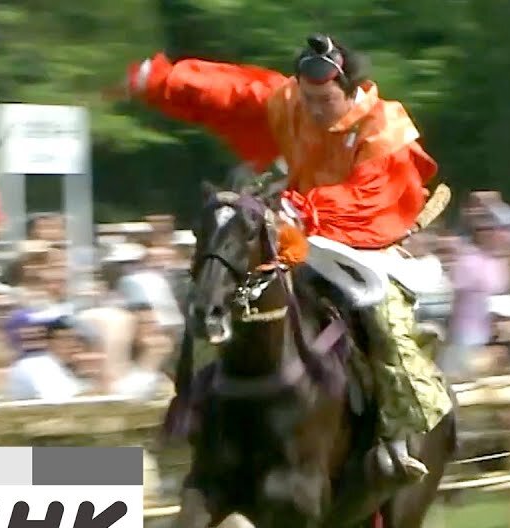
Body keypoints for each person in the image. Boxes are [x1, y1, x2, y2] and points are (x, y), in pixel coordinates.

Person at [124, 34, 451, 483]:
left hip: (364, 241)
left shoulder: (383, 126)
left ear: (350, 88)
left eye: (324, 99)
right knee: (222, 290)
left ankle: (396, 437)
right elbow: (234, 90)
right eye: (307, 96)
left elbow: (371, 196)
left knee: (384, 316)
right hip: (294, 228)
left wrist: (307, 207)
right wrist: (166, 82)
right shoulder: (291, 101)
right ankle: (195, 403)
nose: (313, 107)